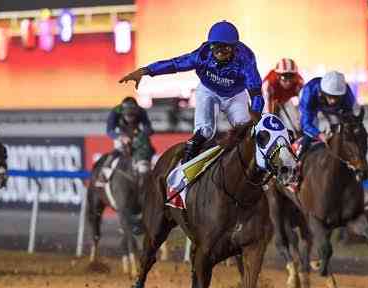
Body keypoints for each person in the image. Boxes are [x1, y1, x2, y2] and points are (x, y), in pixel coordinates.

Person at [119, 20, 264, 163]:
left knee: (246, 130)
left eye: (225, 48)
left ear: (234, 47)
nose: (220, 53)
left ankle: (259, 167)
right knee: (204, 132)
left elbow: (256, 93)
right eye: (216, 47)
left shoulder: (245, 59)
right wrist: (145, 71)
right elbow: (175, 64)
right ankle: (185, 166)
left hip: (235, 95)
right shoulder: (202, 56)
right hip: (208, 91)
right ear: (210, 46)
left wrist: (256, 115)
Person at [297, 70, 358, 160]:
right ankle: (299, 158)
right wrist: (320, 135)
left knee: (342, 131)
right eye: (330, 96)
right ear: (323, 92)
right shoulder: (309, 91)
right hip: (313, 104)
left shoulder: (347, 95)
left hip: (333, 110)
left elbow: (348, 118)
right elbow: (306, 124)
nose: (333, 101)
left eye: (337, 97)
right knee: (309, 132)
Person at [105, 97, 154, 174]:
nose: (130, 118)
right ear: (122, 112)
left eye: (133, 115)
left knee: (146, 147)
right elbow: (109, 130)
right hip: (120, 131)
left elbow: (148, 128)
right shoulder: (115, 111)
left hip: (136, 131)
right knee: (119, 147)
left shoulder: (141, 111)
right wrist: (120, 137)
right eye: (128, 115)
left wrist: (140, 137)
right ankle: (107, 166)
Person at [262, 57, 303, 134]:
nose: (288, 82)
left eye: (291, 78)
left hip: (285, 100)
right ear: (277, 76)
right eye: (284, 78)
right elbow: (267, 109)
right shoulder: (269, 84)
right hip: (269, 100)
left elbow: (304, 103)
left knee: (295, 124)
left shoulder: (299, 82)